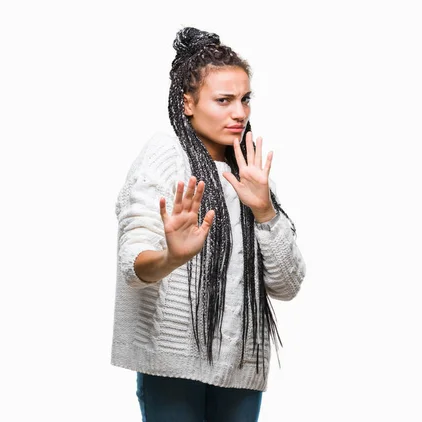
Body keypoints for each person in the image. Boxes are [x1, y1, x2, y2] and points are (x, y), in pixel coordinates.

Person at [111, 27, 306, 422]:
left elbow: (288, 285)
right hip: (174, 363)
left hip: (241, 365)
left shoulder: (248, 171)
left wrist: (265, 210)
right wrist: (170, 257)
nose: (240, 113)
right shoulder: (164, 159)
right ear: (187, 103)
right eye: (224, 100)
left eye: (245, 100)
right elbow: (133, 263)